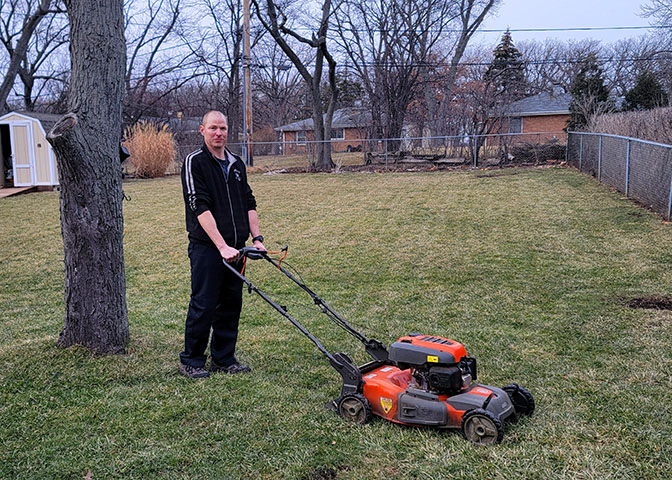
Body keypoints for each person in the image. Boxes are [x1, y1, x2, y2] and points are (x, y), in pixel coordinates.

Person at [179, 110, 266, 379]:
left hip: (237, 248)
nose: (219, 133)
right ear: (202, 130)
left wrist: (257, 239)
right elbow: (199, 206)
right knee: (204, 303)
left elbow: (249, 203)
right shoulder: (195, 162)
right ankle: (192, 360)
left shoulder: (237, 163)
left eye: (223, 128)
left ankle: (223, 358)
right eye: (213, 128)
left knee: (231, 303)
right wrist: (221, 246)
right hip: (207, 247)